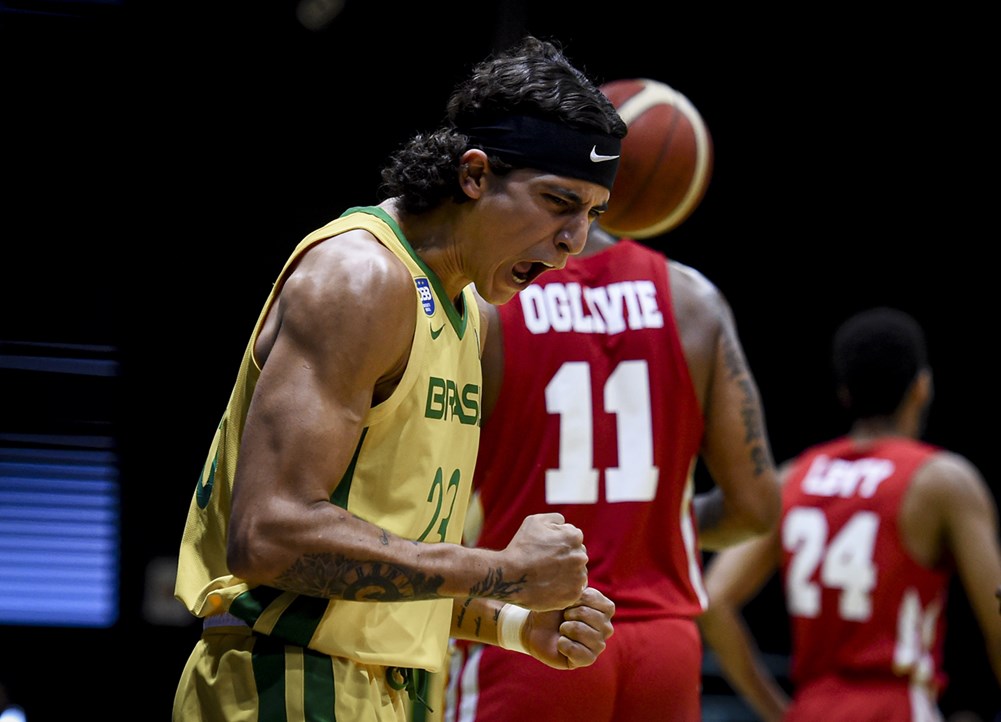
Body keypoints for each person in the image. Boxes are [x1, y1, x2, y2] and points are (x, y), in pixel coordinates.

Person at [172, 35, 628, 722]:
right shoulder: (360, 279)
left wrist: (512, 622)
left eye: (591, 214)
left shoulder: (463, 307)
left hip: (383, 689)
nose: (573, 240)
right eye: (557, 200)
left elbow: (382, 563)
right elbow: (269, 536)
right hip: (289, 681)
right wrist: (501, 570)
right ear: (473, 175)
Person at [440, 100, 782, 721]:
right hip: (664, 646)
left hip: (526, 630)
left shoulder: (489, 297)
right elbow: (756, 508)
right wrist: (649, 516)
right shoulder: (694, 300)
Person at [699, 306, 1001, 722]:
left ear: (845, 392)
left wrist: (778, 711)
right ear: (922, 387)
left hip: (813, 708)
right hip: (896, 706)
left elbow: (713, 600)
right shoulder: (942, 480)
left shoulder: (793, 478)